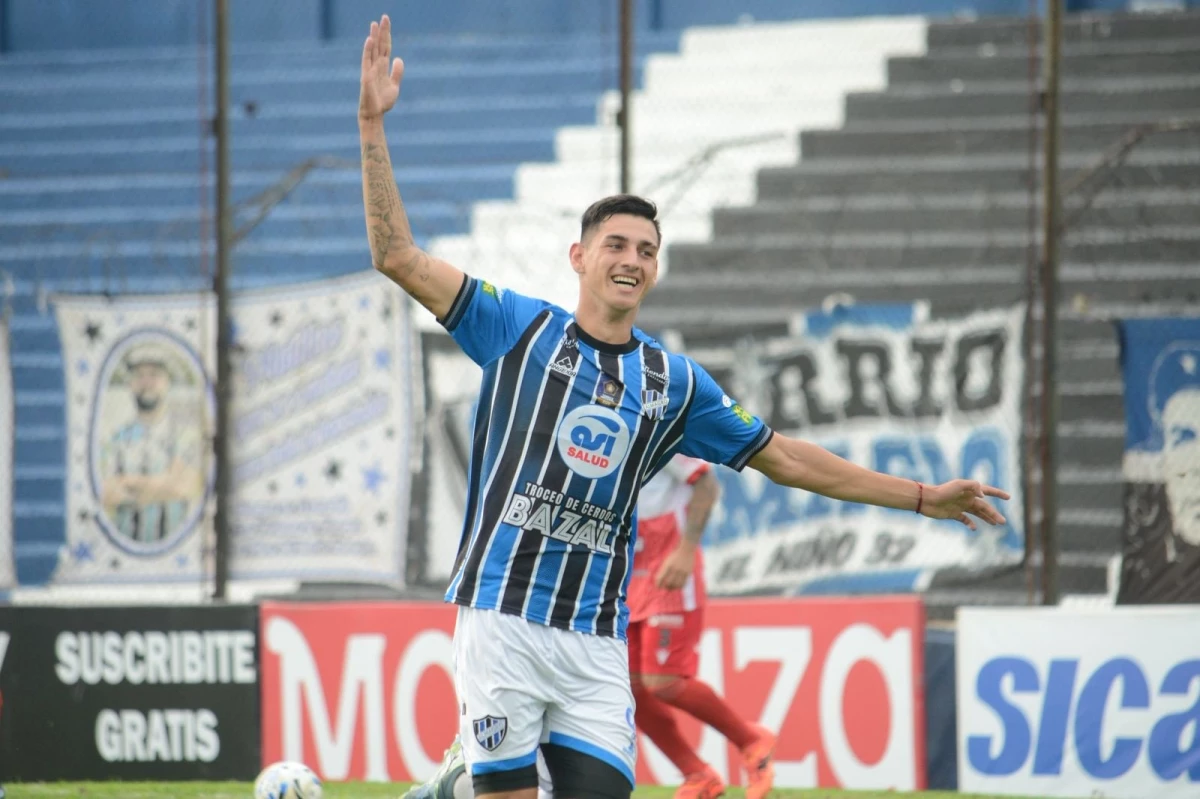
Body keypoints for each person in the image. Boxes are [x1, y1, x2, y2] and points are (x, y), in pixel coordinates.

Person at [359, 14, 1009, 799]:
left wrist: (919, 496)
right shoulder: (518, 327)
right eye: (617, 245)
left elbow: (788, 458)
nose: (632, 259)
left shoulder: (673, 382)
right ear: (580, 257)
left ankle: (448, 786)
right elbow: (396, 256)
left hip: (594, 636)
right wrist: (371, 125)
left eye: (646, 250)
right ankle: (459, 783)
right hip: (503, 617)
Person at [625, 455, 771, 799]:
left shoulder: (657, 421)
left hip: (671, 570)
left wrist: (687, 550)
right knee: (628, 688)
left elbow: (707, 483)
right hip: (628, 573)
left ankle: (752, 741)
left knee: (665, 681)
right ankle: (697, 774)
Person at [98, 343, 204, 543]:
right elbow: (106, 493)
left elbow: (188, 487)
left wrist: (128, 483)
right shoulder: (116, 439)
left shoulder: (185, 436)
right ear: (130, 383)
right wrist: (164, 485)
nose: (147, 382)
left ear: (167, 382)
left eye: (154, 375)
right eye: (139, 376)